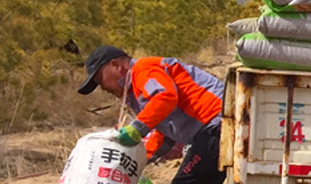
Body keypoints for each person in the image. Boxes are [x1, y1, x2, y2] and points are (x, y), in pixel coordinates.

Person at [77, 45, 226, 184]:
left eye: (99, 80)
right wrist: (131, 159)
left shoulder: (142, 69)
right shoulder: (135, 93)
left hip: (218, 123)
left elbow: (165, 97)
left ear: (115, 65)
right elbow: (162, 133)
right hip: (213, 129)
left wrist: (137, 128)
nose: (102, 88)